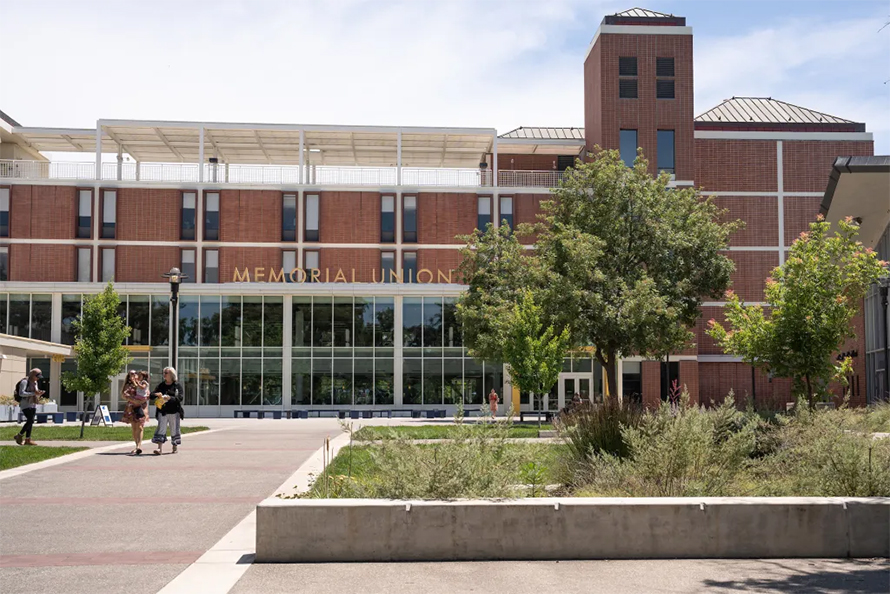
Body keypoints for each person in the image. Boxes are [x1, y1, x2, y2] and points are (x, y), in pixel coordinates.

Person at [151, 367, 184, 455]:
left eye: (166, 373)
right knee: (161, 429)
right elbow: (151, 395)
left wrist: (170, 398)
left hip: (174, 411)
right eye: (164, 372)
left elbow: (180, 398)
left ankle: (174, 446)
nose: (164, 374)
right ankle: (159, 448)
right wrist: (156, 394)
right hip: (163, 411)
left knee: (174, 429)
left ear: (172, 375)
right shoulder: (161, 385)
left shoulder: (177, 386)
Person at [121, 370, 149, 455]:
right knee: (134, 427)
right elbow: (124, 395)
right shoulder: (128, 385)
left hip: (141, 407)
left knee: (140, 426)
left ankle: (139, 447)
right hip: (131, 407)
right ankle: (136, 445)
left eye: (135, 373)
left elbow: (147, 394)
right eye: (131, 374)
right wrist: (133, 400)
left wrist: (142, 400)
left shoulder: (142, 384)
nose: (133, 375)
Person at [14, 368, 44, 446]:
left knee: (31, 421)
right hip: (25, 403)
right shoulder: (24, 382)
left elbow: (35, 391)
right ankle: (19, 435)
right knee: (30, 420)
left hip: (33, 403)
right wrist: (33, 393)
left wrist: (39, 393)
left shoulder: (35, 382)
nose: (37, 378)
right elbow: (21, 393)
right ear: (32, 375)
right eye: (37, 376)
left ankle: (28, 439)